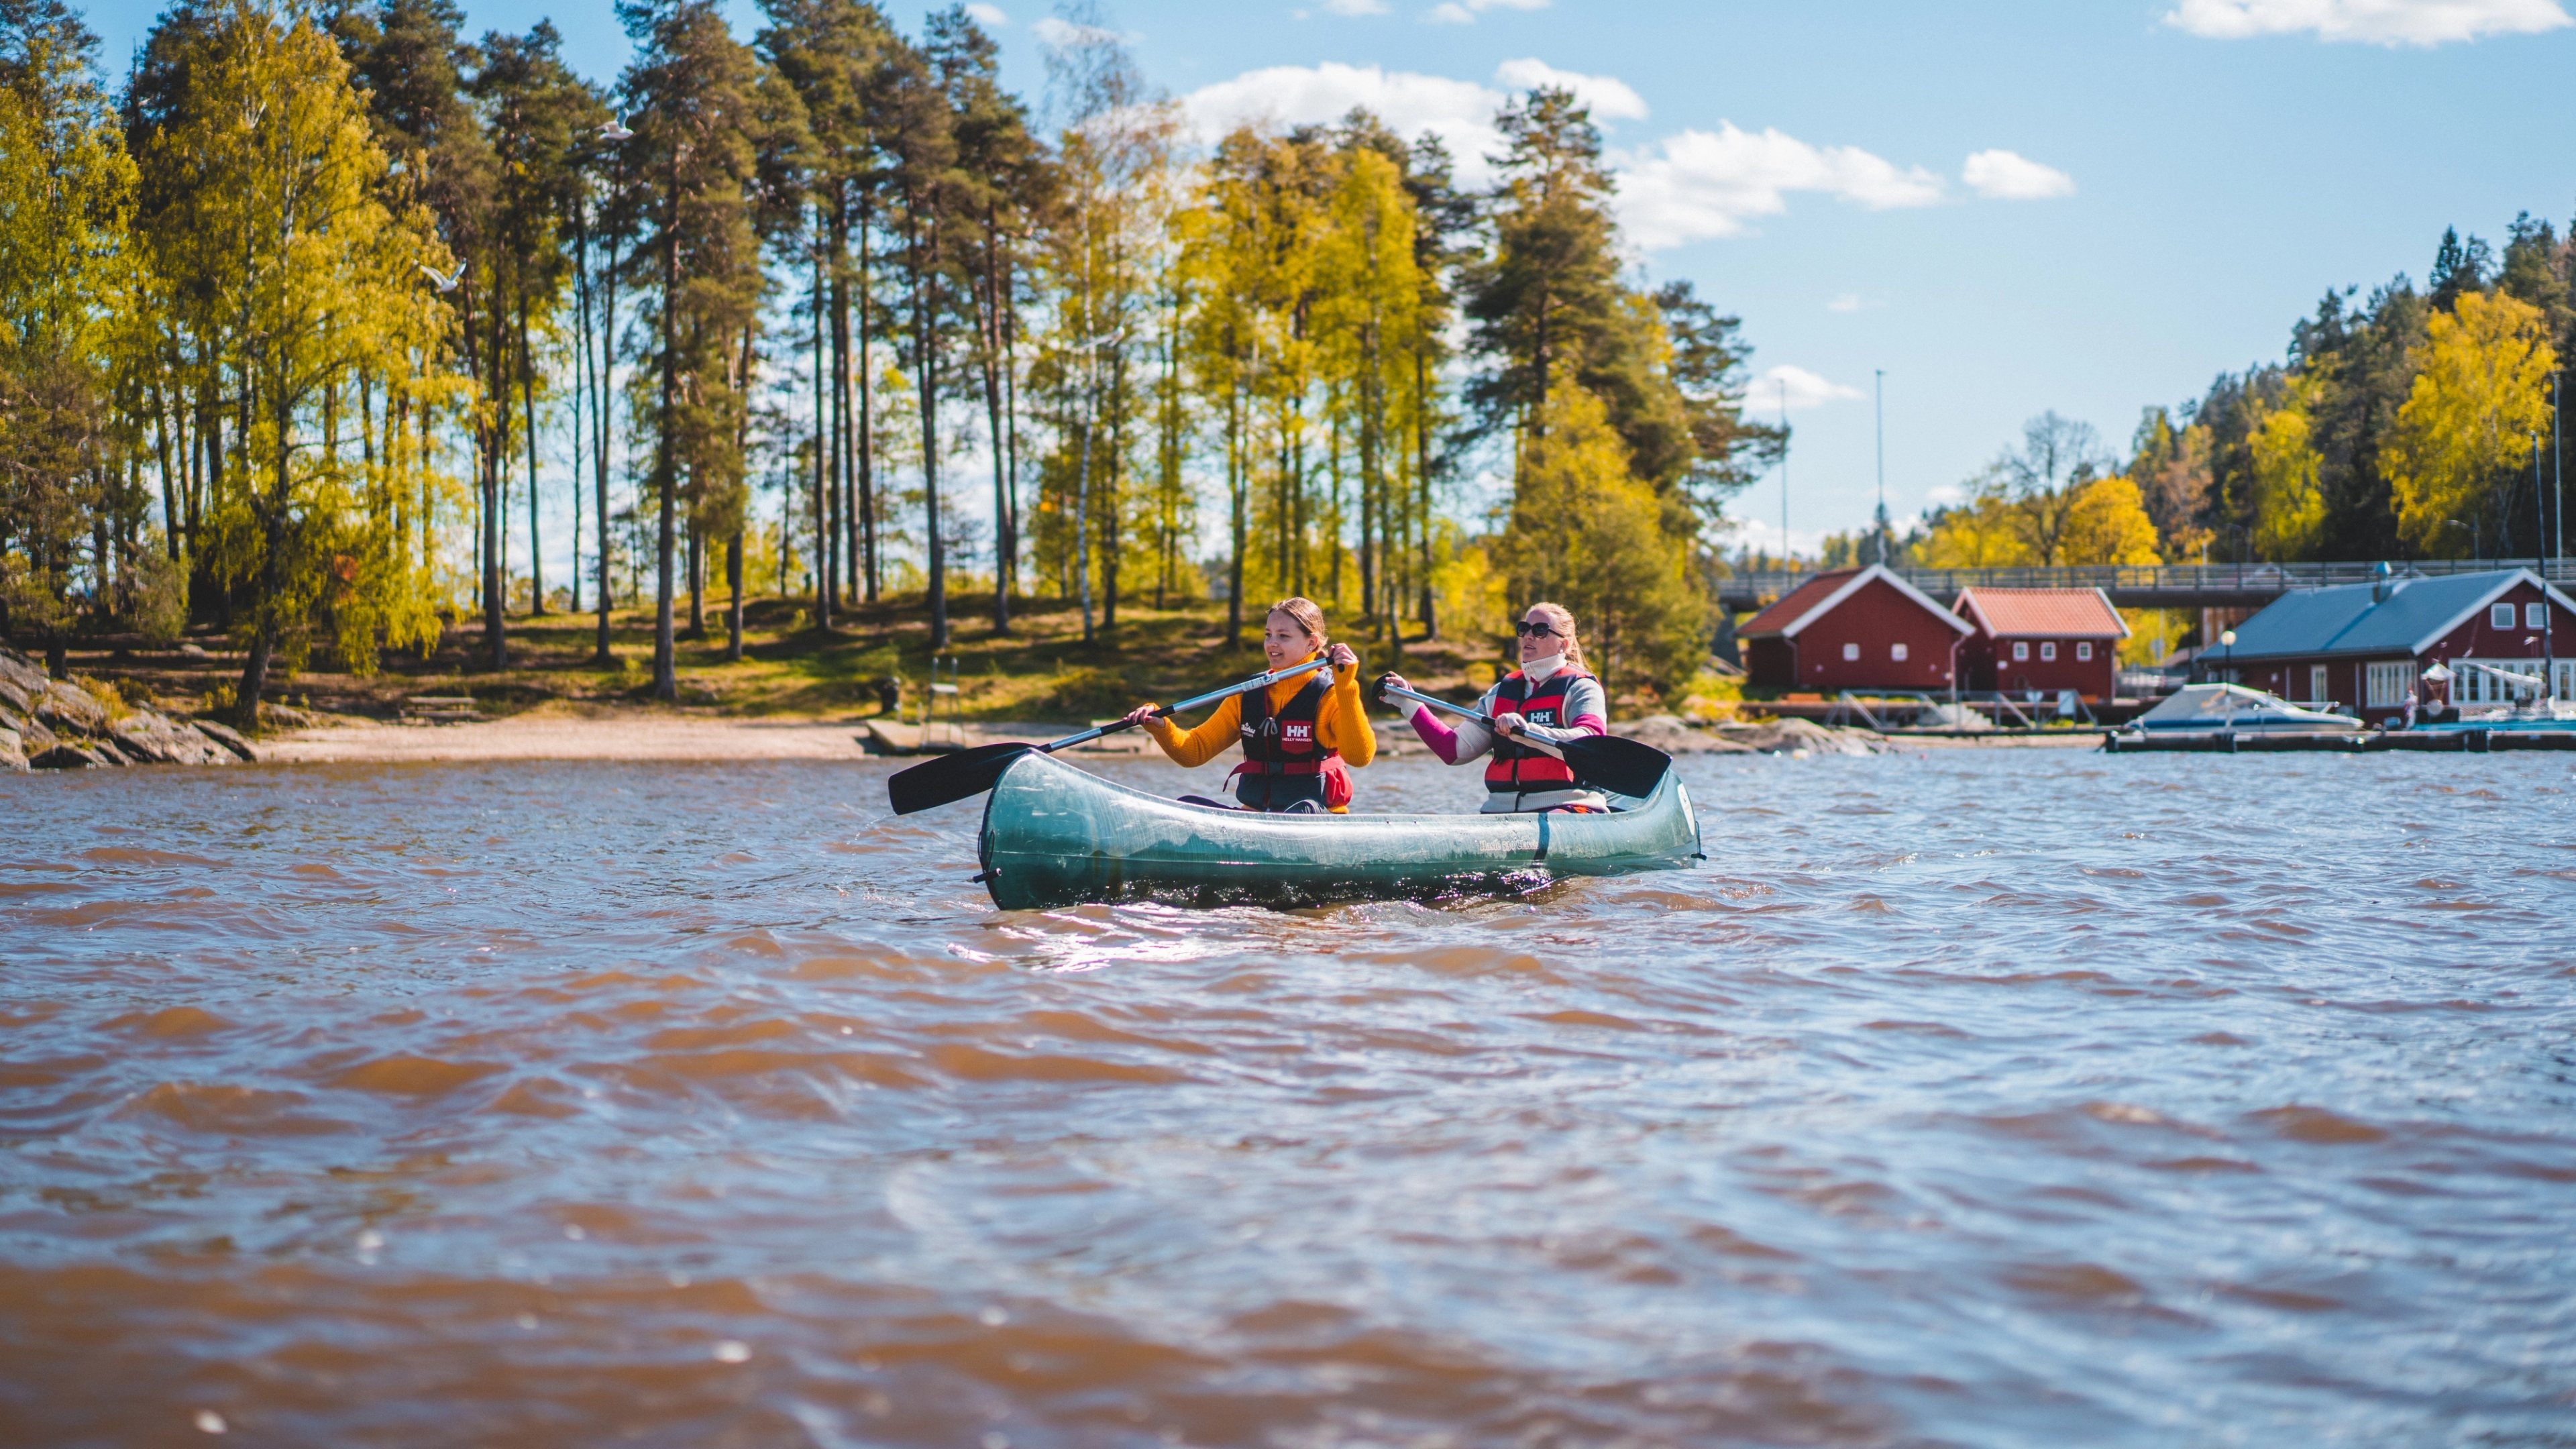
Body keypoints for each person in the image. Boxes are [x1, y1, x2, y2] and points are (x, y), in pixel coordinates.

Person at [1121, 597, 1376, 813]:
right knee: (1185, 805)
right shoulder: (1248, 695)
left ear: (1312, 642)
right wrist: (1161, 726)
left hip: (1313, 817)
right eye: (1268, 635)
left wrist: (1347, 687)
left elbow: (1360, 757)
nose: (1272, 643)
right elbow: (1194, 752)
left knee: (1302, 809)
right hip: (1256, 818)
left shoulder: (1332, 694)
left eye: (1283, 636)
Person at [1377, 602, 1611, 814]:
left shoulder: (1581, 687)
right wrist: (1410, 704)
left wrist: (1528, 733)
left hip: (1568, 807)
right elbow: (1454, 751)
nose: (1528, 636)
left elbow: (1589, 743)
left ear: (1564, 644)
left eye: (1540, 630)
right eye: (1523, 629)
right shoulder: (1500, 693)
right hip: (1502, 811)